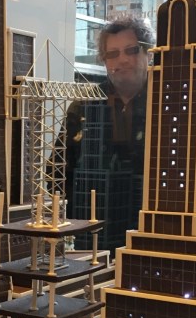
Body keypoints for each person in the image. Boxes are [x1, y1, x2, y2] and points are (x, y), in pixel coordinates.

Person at [66, 16, 155, 251]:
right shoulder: (85, 105)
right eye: (112, 54)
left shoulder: (166, 101)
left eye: (131, 50)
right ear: (104, 61)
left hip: (149, 229)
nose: (122, 59)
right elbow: (61, 168)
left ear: (149, 53)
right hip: (93, 228)